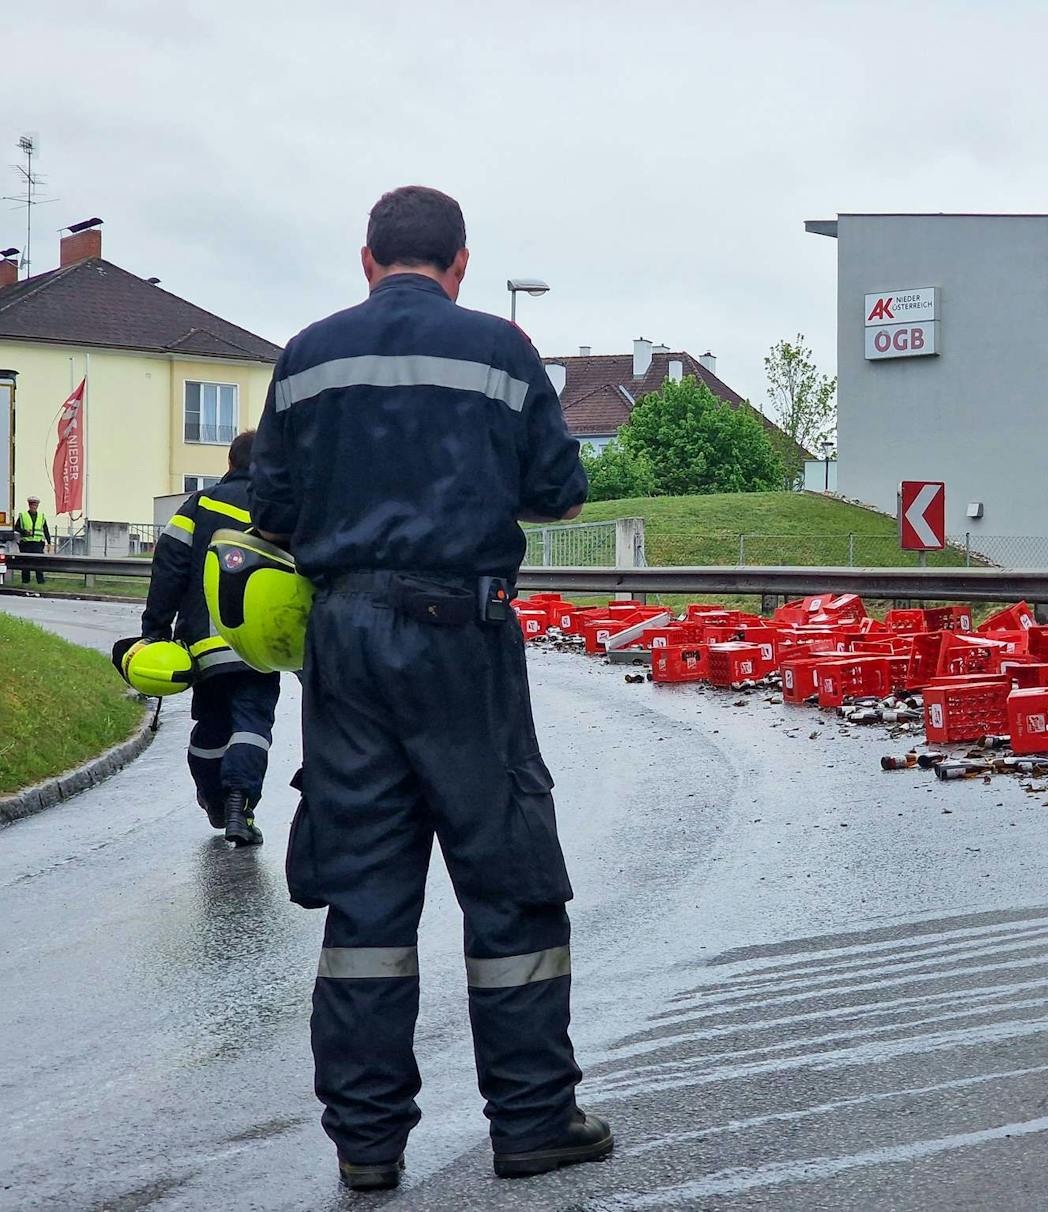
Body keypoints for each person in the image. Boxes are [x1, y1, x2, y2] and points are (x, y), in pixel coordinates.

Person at [251, 185, 604, 1191]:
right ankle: (532, 1123)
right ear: (458, 263)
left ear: (366, 259)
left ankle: (367, 1147)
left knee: (363, 899)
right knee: (508, 884)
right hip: (462, 633)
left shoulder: (309, 354)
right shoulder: (499, 348)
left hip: (344, 638)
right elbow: (556, 490)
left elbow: (269, 509)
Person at [141, 432, 280, 846]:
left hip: (205, 643)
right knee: (253, 724)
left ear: (230, 461)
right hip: (260, 646)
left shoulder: (199, 504)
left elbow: (169, 566)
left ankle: (215, 800)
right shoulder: (280, 508)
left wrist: (155, 630)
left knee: (212, 725)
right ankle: (241, 803)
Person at [13, 494, 51, 584]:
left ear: (37, 505)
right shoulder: (23, 515)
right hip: (26, 544)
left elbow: (46, 530)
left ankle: (40, 582)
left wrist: (49, 543)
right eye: (32, 504)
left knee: (39, 564)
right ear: (29, 505)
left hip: (37, 544)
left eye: (35, 505)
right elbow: (16, 528)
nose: (34, 506)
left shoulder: (41, 516)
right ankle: (25, 582)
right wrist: (24, 532)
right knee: (26, 564)